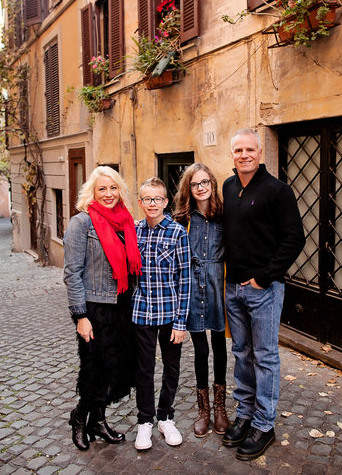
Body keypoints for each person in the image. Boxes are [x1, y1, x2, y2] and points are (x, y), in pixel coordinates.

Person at [222, 128, 305, 460]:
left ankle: (264, 424)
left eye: (250, 150)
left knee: (266, 357)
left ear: (260, 153)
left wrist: (265, 278)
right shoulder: (228, 187)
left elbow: (294, 239)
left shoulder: (277, 191)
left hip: (264, 291)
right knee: (242, 352)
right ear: (233, 154)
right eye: (238, 150)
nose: (244, 155)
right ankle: (244, 415)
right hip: (233, 288)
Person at [63, 166, 142, 451]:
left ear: (120, 190)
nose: (108, 194)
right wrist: (80, 316)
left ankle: (98, 421)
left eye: (113, 188)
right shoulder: (82, 223)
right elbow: (72, 273)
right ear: (92, 193)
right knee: (94, 369)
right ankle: (80, 419)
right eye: (102, 189)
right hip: (96, 310)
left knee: (116, 370)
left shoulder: (126, 222)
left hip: (122, 307)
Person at [132, 177, 191, 450]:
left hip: (169, 314)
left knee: (171, 368)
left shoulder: (178, 232)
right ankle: (145, 421)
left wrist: (181, 322)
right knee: (143, 369)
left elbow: (185, 279)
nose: (152, 203)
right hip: (142, 312)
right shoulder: (133, 231)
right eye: (147, 199)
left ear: (166, 202)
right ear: (141, 202)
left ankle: (166, 418)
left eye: (157, 199)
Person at [173, 163, 228, 437]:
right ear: (189, 188)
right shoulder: (183, 219)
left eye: (205, 182)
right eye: (195, 184)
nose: (201, 187)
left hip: (218, 285)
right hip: (193, 288)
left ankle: (220, 408)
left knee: (219, 345)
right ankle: (203, 410)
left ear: (212, 184)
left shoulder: (223, 216)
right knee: (201, 349)